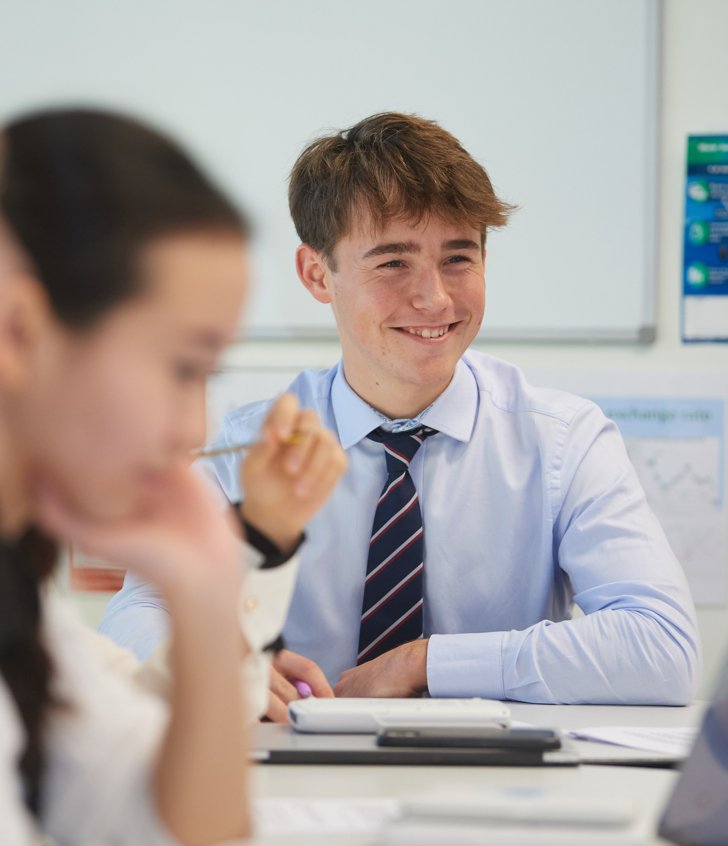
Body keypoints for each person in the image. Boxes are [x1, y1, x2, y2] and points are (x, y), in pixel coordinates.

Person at [101, 111, 701, 712]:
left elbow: (664, 648)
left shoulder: (565, 442)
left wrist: (428, 663)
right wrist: (216, 661)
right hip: (298, 784)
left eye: (459, 259)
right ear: (317, 274)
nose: (434, 297)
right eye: (393, 263)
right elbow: (140, 612)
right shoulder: (247, 446)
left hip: (495, 787)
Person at [0, 108, 345, 844]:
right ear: (20, 331)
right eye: (183, 368)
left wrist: (208, 590)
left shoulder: (21, 603)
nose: (192, 429)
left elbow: (174, 824)